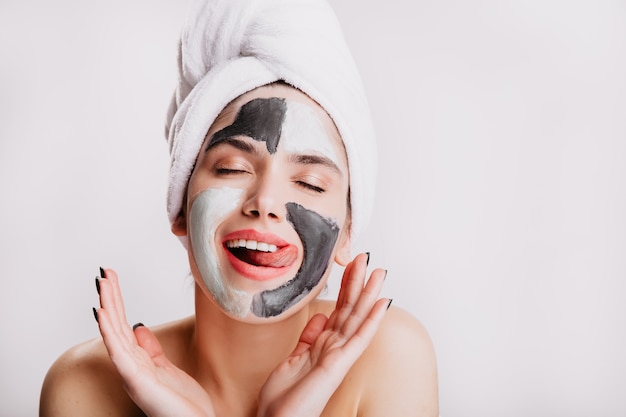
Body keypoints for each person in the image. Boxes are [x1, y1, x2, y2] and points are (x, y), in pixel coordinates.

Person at [39, 0, 438, 416]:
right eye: (231, 168)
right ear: (179, 207)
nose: (265, 202)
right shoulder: (83, 386)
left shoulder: (392, 356)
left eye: (309, 182)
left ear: (348, 233)